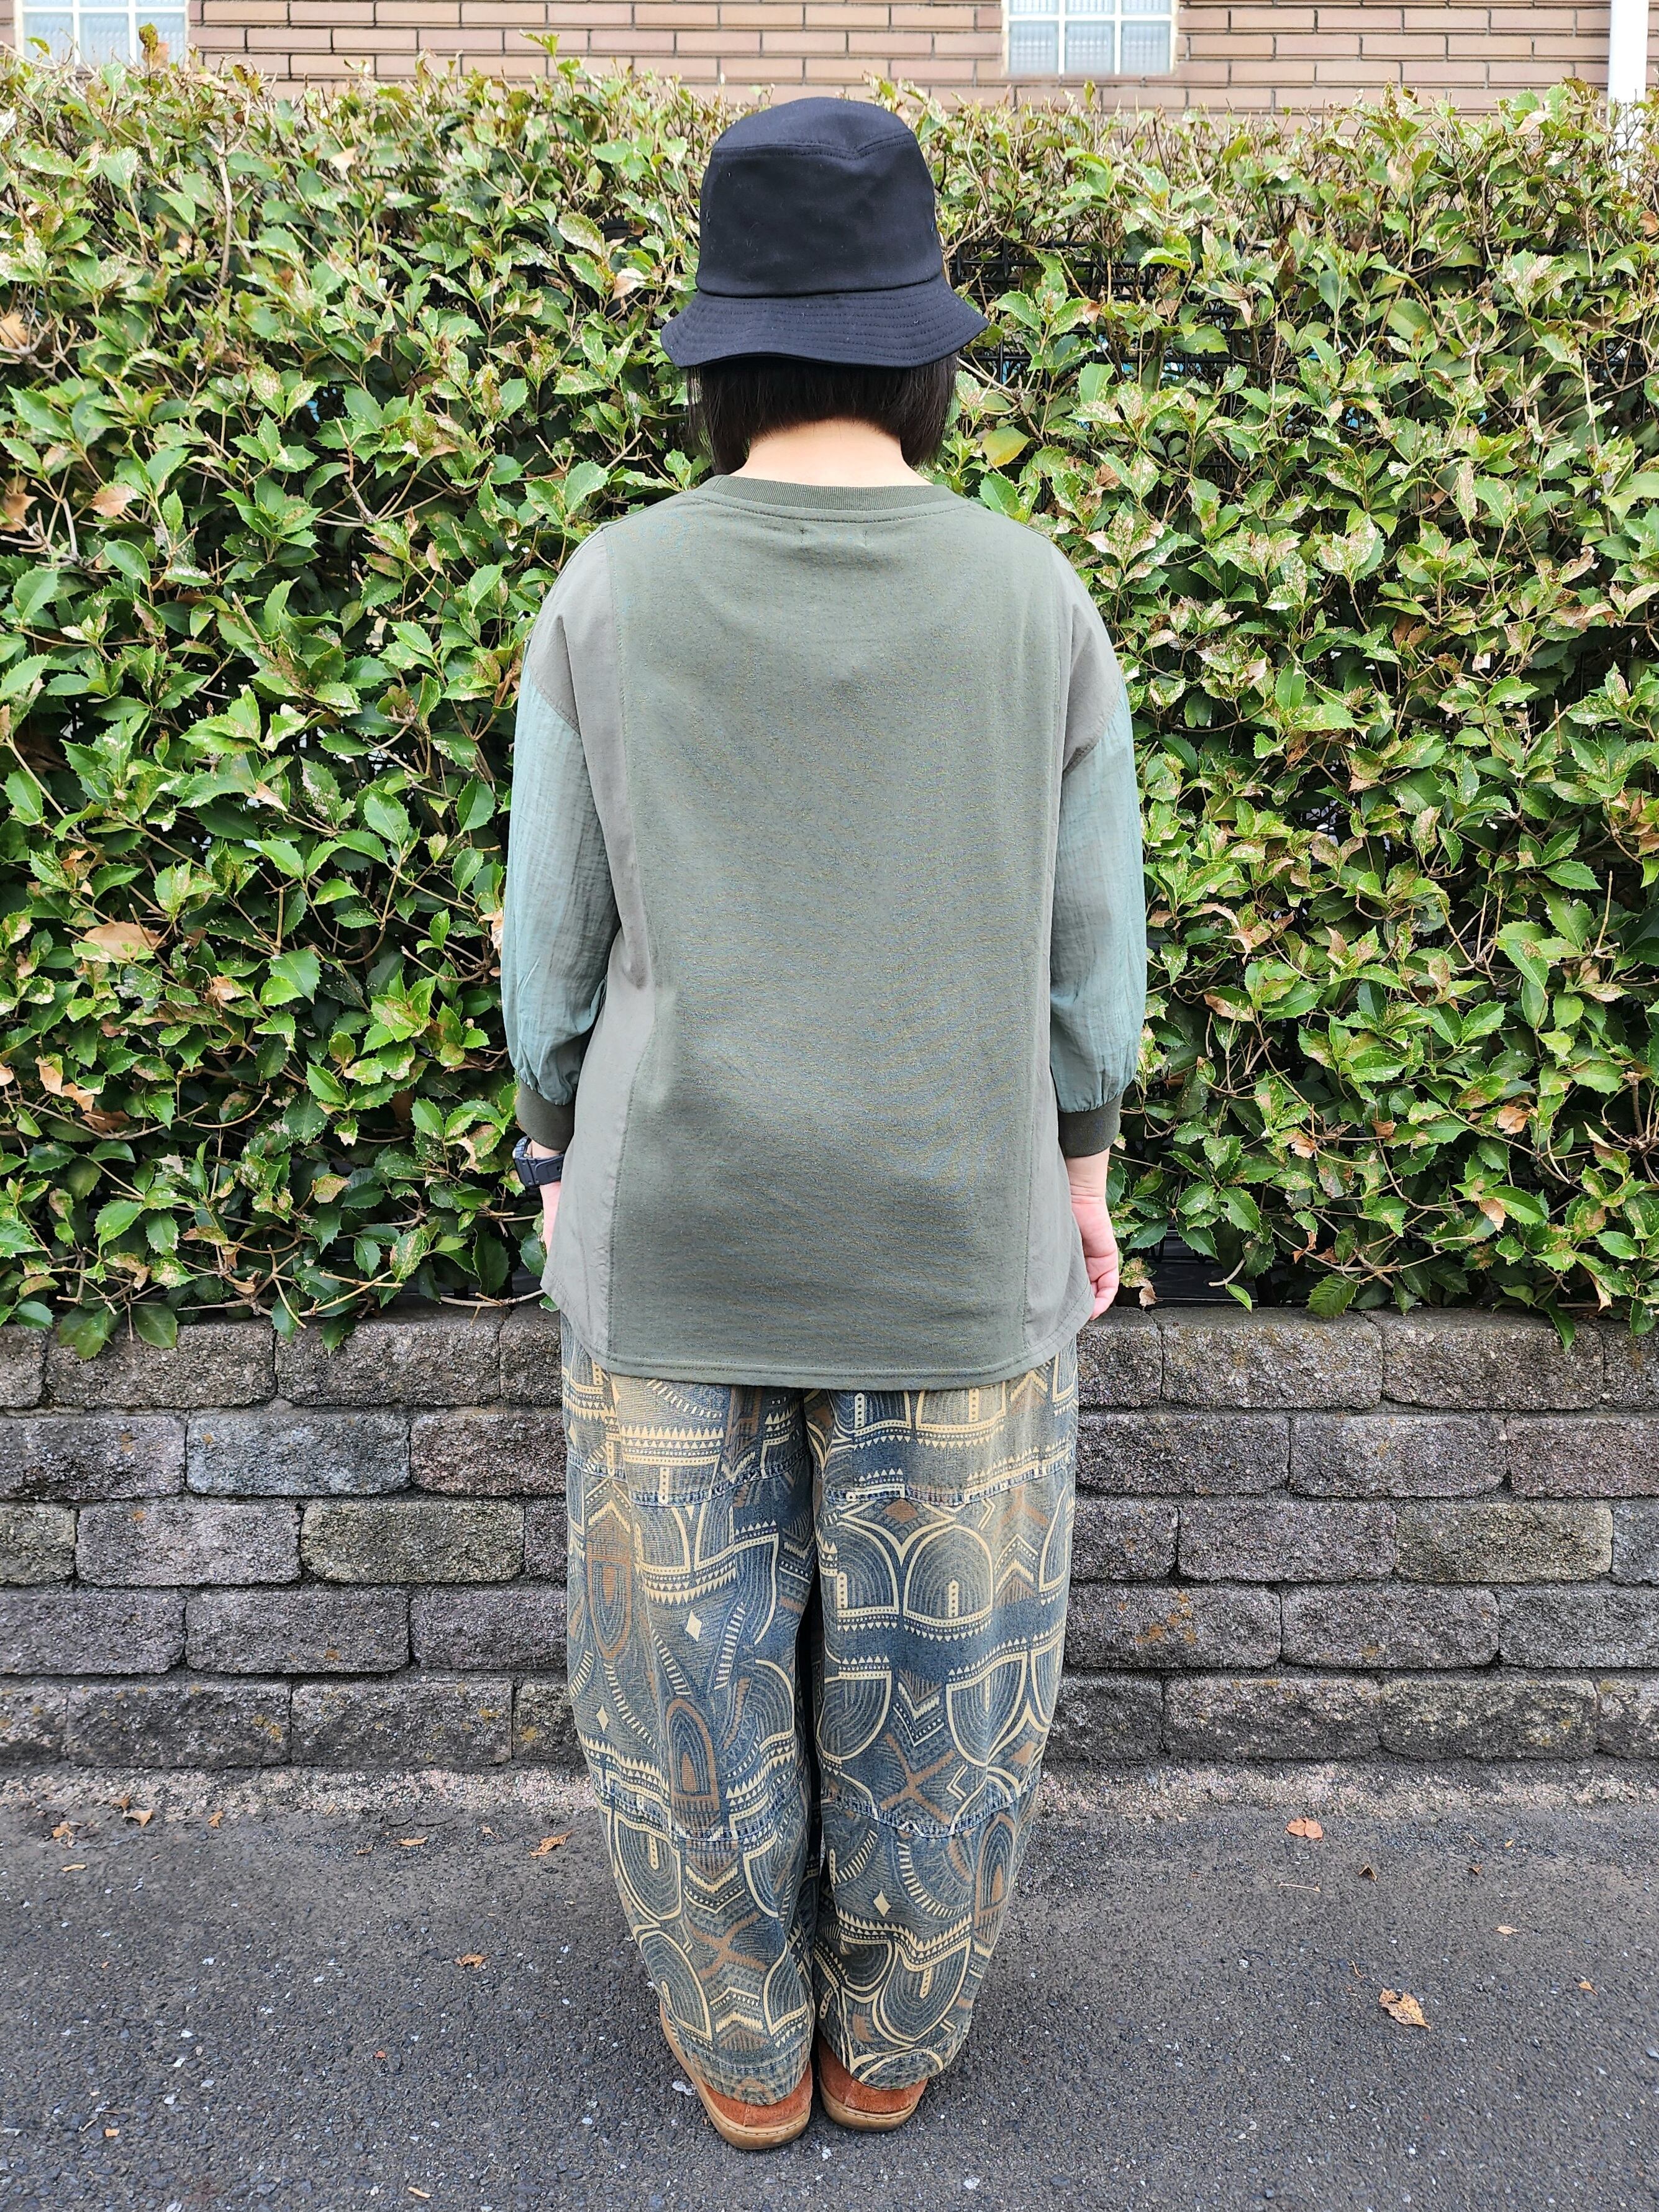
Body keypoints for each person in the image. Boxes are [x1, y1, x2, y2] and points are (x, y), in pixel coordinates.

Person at [499, 96, 1147, 2152]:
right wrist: (1083, 1167)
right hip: (959, 1235)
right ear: (921, 350)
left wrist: (553, 1149)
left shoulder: (610, 592)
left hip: (677, 1231)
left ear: (725, 356)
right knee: (948, 1684)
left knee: (682, 1689)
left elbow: (551, 953)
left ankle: (747, 2054)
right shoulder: (1036, 600)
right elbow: (1089, 957)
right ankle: (889, 2046)